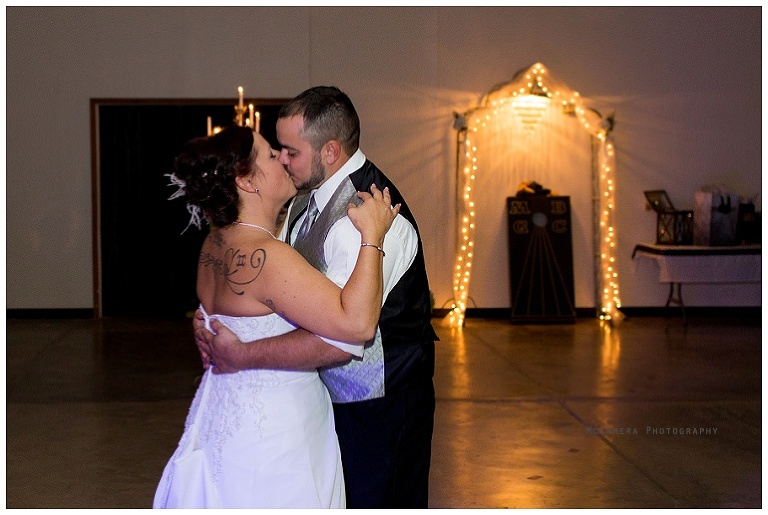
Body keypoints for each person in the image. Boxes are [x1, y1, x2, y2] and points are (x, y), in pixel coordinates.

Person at [195, 86, 438, 508]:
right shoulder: (305, 196)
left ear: (330, 151)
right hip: (324, 400)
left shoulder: (369, 218)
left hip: (378, 407)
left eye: (290, 152)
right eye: (277, 151)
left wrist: (241, 353)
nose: (282, 160)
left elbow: (343, 337)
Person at [154, 125, 400, 509]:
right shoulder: (268, 256)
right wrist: (373, 236)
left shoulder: (214, 243)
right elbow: (357, 325)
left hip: (224, 412)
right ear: (247, 180)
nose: (283, 159)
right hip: (276, 430)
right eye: (271, 155)